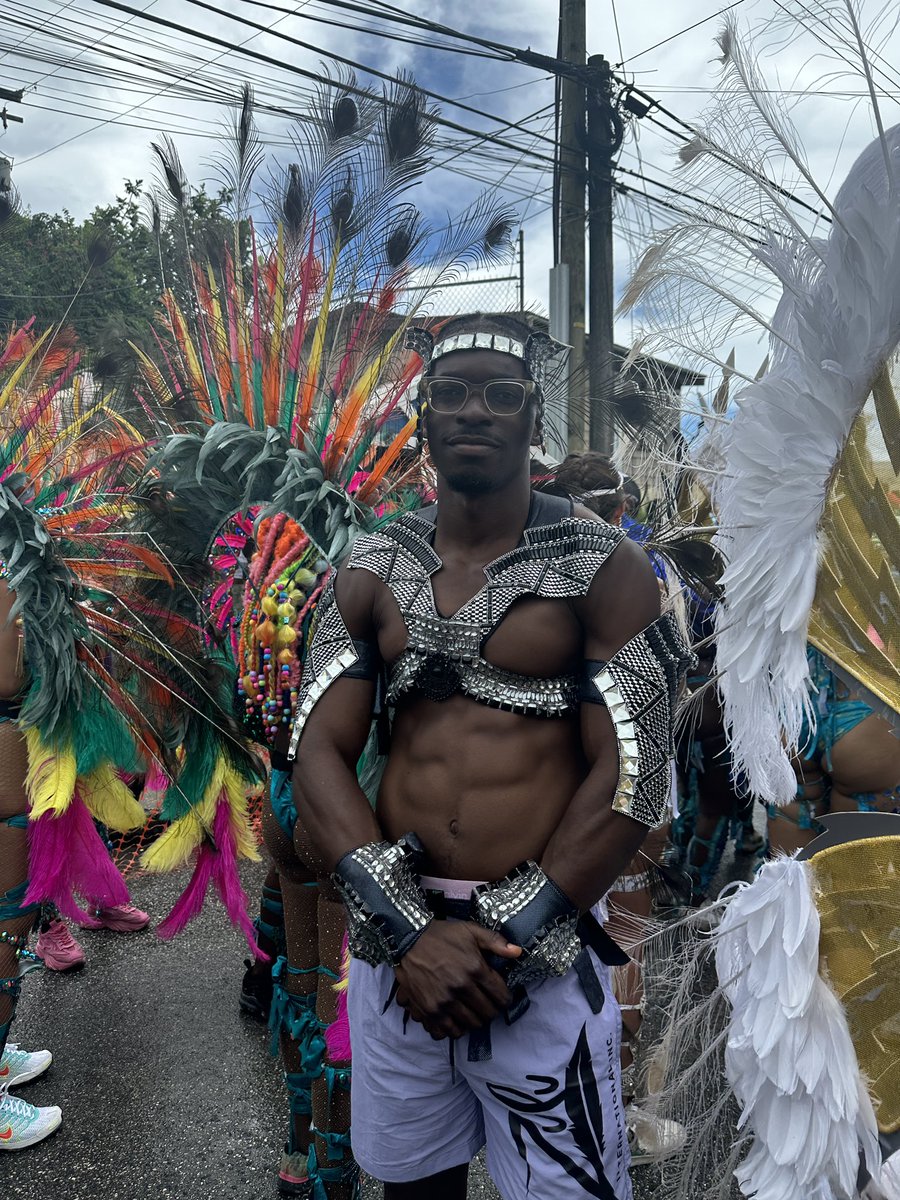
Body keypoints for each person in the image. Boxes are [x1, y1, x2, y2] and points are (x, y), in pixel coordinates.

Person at [290, 313, 692, 1198]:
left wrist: (512, 936)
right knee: (413, 1187)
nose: (474, 411)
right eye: (452, 393)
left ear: (531, 413)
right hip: (399, 949)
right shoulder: (369, 564)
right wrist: (406, 935)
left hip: (538, 954)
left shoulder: (604, 565)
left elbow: (637, 765)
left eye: (500, 394)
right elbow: (314, 745)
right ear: (424, 417)